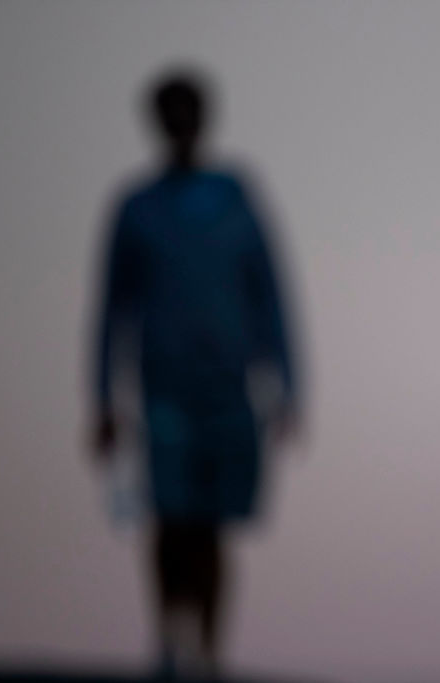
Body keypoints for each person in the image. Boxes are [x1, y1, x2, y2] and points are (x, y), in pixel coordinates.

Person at [90, 68, 298, 678]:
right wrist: (101, 397)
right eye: (170, 113)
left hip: (229, 388)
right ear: (155, 122)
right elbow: (110, 309)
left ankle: (209, 653)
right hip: (163, 388)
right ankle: (168, 644)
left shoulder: (237, 197)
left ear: (206, 118)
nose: (180, 124)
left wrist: (288, 385)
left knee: (212, 527)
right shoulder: (136, 207)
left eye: (190, 111)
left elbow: (272, 294)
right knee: (169, 519)